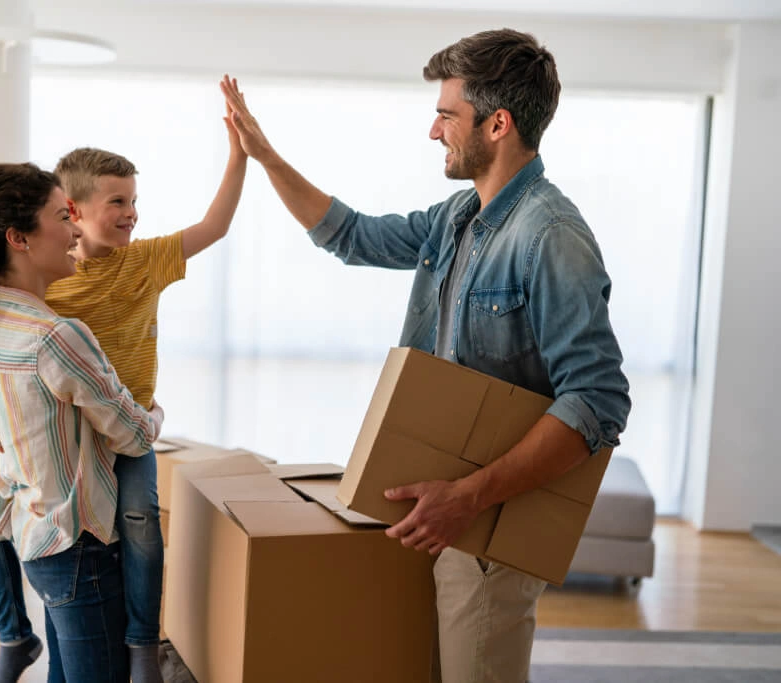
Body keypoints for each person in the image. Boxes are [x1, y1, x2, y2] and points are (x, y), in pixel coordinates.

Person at [219, 28, 631, 683]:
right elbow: (349, 234)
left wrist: (466, 496)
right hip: (437, 516)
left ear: (498, 124)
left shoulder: (550, 237)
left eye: (446, 114)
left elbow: (597, 402)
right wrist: (265, 156)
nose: (433, 131)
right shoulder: (456, 218)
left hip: (491, 531)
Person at [0, 104, 247, 683]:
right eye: (116, 201)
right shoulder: (51, 285)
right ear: (73, 211)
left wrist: (240, 155)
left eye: (134, 201)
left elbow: (215, 225)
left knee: (142, 518)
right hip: (82, 439)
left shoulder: (143, 261)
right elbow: (14, 355)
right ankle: (15, 633)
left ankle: (144, 641)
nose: (131, 213)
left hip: (126, 421)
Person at [0, 162, 164, 683]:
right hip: (81, 550)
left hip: (38, 542)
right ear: (18, 238)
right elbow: (134, 435)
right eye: (60, 216)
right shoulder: (57, 336)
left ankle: (15, 639)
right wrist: (157, 412)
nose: (74, 229)